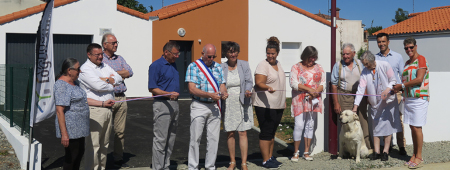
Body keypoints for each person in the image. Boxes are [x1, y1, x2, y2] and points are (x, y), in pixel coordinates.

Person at [352, 51, 402, 161]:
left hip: (387, 102)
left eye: (366, 64)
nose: (365, 66)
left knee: (387, 126)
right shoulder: (365, 72)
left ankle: (385, 151)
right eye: (364, 64)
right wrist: (355, 106)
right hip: (375, 104)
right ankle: (377, 151)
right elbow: (361, 89)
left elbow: (393, 80)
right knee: (375, 127)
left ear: (372, 60)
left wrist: (387, 89)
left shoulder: (385, 65)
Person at [79, 43, 122, 170]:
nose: (100, 57)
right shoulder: (85, 69)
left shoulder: (104, 65)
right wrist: (111, 82)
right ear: (89, 55)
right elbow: (98, 86)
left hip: (108, 109)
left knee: (104, 145)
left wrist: (106, 80)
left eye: (101, 54)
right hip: (95, 111)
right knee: (93, 146)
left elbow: (119, 78)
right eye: (97, 55)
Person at [185, 44, 228, 170]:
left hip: (215, 105)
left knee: (214, 138)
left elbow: (222, 84)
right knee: (195, 138)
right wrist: (210, 95)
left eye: (213, 56)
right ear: (202, 53)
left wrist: (224, 92)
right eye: (209, 56)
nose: (211, 59)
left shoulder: (218, 67)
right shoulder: (193, 66)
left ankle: (210, 166)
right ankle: (193, 166)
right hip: (199, 105)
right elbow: (192, 89)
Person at [392, 37, 429, 168]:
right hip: (408, 98)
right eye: (406, 48)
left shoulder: (421, 59)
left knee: (417, 127)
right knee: (412, 127)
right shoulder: (407, 63)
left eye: (411, 47)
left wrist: (401, 86)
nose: (409, 50)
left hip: (419, 97)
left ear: (416, 46)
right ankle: (414, 155)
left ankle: (419, 156)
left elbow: (419, 80)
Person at [101, 33, 134, 168]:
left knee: (120, 131)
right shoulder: (99, 59)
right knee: (104, 131)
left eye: (116, 42)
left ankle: (118, 158)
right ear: (105, 45)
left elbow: (130, 72)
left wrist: (112, 74)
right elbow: (100, 76)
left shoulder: (119, 58)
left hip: (121, 97)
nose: (116, 44)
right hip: (107, 98)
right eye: (113, 42)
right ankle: (101, 160)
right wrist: (120, 73)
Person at [331, 43, 372, 150]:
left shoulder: (360, 63)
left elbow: (366, 80)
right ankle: (348, 150)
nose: (345, 56)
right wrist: (336, 103)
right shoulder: (338, 65)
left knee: (363, 122)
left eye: (348, 54)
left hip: (360, 95)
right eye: (343, 54)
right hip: (344, 96)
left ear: (353, 53)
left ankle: (366, 147)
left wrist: (367, 96)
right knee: (346, 124)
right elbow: (334, 85)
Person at [252, 36, 286, 169]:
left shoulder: (278, 64)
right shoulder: (263, 65)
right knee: (266, 132)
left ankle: (270, 157)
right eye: (268, 53)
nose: (270, 56)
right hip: (264, 105)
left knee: (272, 132)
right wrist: (268, 88)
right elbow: (259, 83)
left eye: (273, 53)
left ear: (277, 53)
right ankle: (265, 160)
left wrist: (283, 101)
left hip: (277, 105)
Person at [220, 41, 253, 170]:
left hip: (242, 101)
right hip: (228, 102)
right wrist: (222, 92)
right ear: (226, 54)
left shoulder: (244, 64)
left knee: (243, 132)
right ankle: (232, 161)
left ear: (238, 52)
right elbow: (220, 83)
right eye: (230, 52)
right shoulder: (221, 67)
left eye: (234, 51)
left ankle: (243, 163)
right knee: (230, 133)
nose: (232, 54)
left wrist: (247, 90)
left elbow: (249, 81)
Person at [148, 41, 181, 170]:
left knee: (171, 139)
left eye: (178, 54)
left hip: (175, 104)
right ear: (166, 52)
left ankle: (165, 166)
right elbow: (152, 88)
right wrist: (168, 94)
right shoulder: (156, 65)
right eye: (175, 54)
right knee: (160, 139)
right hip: (162, 104)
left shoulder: (174, 64)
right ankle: (158, 168)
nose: (177, 56)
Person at [289, 46, 324, 162]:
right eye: (310, 57)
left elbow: (322, 83)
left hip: (313, 100)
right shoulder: (296, 67)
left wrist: (315, 93)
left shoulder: (319, 68)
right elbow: (293, 83)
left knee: (310, 124)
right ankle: (296, 152)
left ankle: (306, 152)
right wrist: (309, 89)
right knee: (299, 125)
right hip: (299, 100)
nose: (313, 60)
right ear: (305, 56)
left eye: (314, 57)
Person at [54, 58, 91, 170]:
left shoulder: (74, 83)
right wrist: (64, 134)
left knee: (79, 154)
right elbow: (59, 110)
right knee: (72, 157)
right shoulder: (61, 85)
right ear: (69, 70)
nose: (80, 71)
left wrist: (103, 103)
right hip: (71, 129)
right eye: (78, 69)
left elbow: (83, 100)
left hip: (79, 128)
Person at [375, 33, 406, 155]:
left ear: (388, 42)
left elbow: (402, 75)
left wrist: (401, 90)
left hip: (395, 93)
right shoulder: (375, 58)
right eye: (379, 42)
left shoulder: (397, 57)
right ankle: (386, 147)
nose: (381, 44)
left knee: (397, 119)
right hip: (381, 95)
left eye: (383, 41)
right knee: (382, 119)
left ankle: (401, 145)